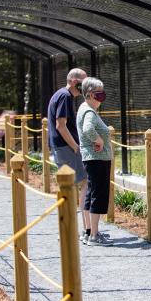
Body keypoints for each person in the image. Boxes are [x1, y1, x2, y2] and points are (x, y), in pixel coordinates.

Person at [47, 68, 89, 239]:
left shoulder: (61, 95)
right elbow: (61, 125)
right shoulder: (64, 96)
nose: (85, 87)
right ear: (73, 81)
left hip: (61, 147)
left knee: (69, 186)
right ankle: (82, 228)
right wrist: (75, 146)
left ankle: (70, 227)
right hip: (66, 148)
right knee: (84, 182)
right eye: (82, 83)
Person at [76, 77, 113, 246]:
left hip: (91, 158)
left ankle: (89, 231)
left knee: (91, 194)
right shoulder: (89, 112)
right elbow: (88, 129)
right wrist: (99, 140)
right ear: (90, 95)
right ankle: (94, 236)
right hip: (96, 159)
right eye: (99, 95)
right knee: (98, 195)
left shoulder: (84, 108)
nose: (101, 99)